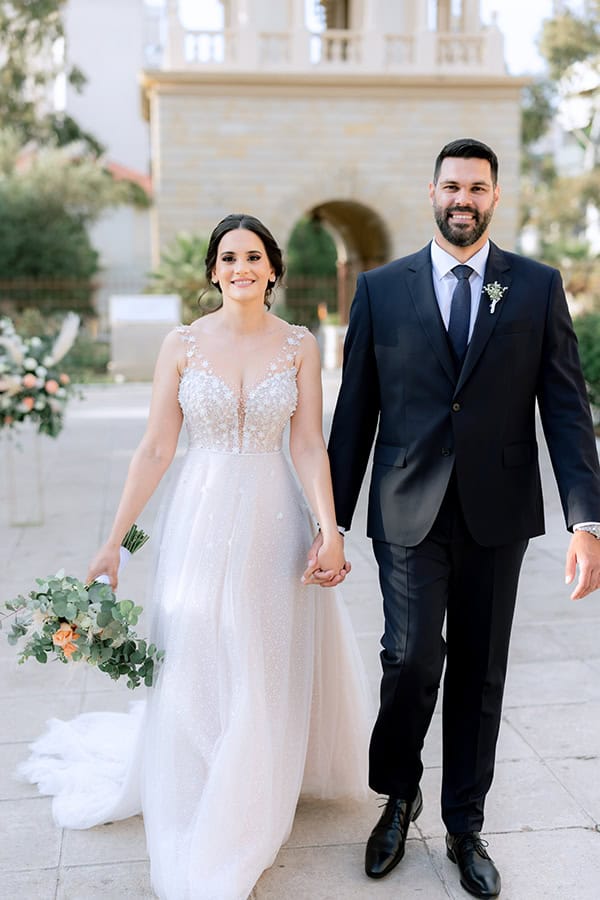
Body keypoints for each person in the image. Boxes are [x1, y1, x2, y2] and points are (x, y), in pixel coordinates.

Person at [20, 213, 372, 900]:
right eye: (228, 257)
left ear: (273, 268)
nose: (240, 267)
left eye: (253, 256)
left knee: (261, 653)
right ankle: (199, 774)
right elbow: (155, 448)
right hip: (202, 514)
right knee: (199, 651)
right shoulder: (181, 345)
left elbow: (307, 445)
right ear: (213, 271)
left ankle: (250, 798)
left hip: (275, 514)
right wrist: (114, 541)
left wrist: (329, 528)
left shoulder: (299, 346)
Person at [304, 138, 600, 899]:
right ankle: (398, 797)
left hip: (498, 512)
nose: (462, 199)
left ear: (495, 197)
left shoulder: (534, 287)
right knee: (409, 659)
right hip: (406, 507)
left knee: (480, 670)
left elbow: (566, 407)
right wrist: (328, 522)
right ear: (430, 194)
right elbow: (355, 415)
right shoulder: (380, 289)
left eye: (476, 187)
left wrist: (586, 520)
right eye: (450, 186)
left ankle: (466, 824)